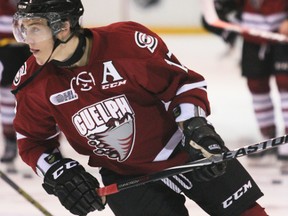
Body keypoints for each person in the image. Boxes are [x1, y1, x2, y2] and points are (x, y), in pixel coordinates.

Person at [11, 0, 268, 215]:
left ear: (63, 27)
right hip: (126, 175)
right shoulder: (34, 81)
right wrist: (57, 171)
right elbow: (32, 140)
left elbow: (184, 86)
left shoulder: (126, 43)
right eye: (22, 29)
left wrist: (197, 128)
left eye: (34, 29)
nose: (26, 39)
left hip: (186, 152)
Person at [202, 0, 288, 167]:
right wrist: (230, 30)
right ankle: (269, 139)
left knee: (285, 84)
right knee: (256, 86)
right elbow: (215, 11)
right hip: (253, 38)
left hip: (282, 38)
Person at [0, 0, 30, 164]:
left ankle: (50, 144)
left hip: (33, 53)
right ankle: (10, 141)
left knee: (43, 101)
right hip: (5, 58)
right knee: (6, 102)